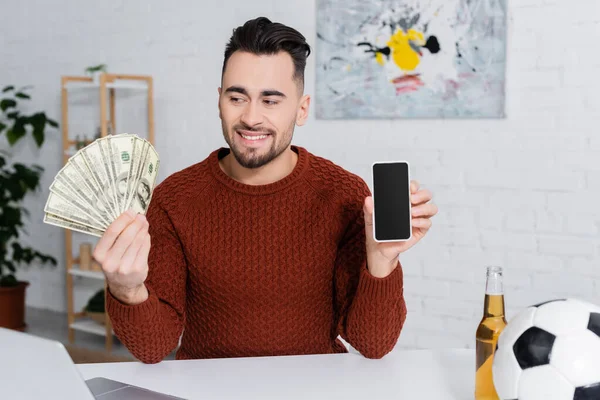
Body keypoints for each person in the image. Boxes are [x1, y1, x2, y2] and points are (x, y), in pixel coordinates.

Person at [93, 16, 438, 364]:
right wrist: (127, 289)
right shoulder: (173, 199)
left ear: (301, 110)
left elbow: (372, 344)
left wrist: (381, 259)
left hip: (314, 390)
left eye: (271, 100)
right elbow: (153, 347)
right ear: (219, 101)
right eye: (237, 97)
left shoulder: (345, 195)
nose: (251, 118)